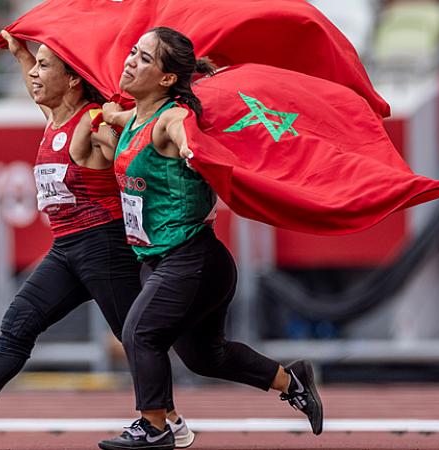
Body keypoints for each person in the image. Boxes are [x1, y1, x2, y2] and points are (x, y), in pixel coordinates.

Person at [0, 30, 195, 448]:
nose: (34, 76)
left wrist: (119, 140)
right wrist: (20, 53)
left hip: (104, 242)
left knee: (136, 336)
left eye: (46, 67)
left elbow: (125, 147)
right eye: (36, 66)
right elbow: (40, 88)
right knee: (20, 320)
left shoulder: (91, 118)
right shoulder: (55, 118)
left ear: (72, 80)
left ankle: (167, 420)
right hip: (67, 247)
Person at [97, 27, 324, 450]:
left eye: (144, 59)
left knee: (139, 333)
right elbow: (113, 116)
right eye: (132, 52)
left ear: (167, 79)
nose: (130, 61)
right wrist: (99, 115)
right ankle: (292, 380)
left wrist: (190, 149)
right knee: (206, 357)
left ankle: (154, 426)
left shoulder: (172, 118)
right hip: (165, 263)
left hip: (193, 259)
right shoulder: (135, 116)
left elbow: (184, 131)